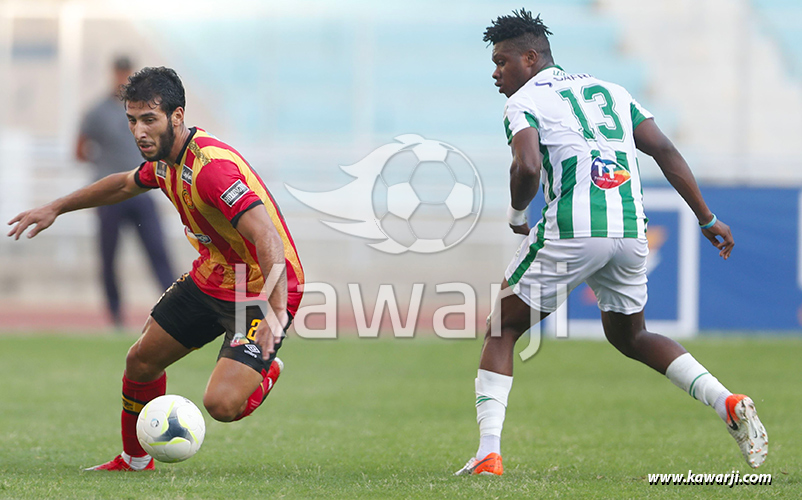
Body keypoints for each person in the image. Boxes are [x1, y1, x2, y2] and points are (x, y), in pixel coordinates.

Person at [455, 9, 767, 476]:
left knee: (502, 328)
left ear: (530, 58)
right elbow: (664, 150)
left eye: (502, 61)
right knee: (632, 335)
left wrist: (518, 214)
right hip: (628, 230)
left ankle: (487, 454)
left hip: (572, 229)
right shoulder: (613, 91)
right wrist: (707, 217)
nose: (496, 72)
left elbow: (527, 167)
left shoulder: (522, 101)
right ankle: (727, 402)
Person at [8, 67, 304, 471]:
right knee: (140, 362)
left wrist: (274, 311)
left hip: (260, 288)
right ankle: (134, 460)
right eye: (132, 120)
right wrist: (56, 207)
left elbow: (267, 237)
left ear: (177, 116)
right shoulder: (165, 160)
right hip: (213, 275)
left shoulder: (212, 169)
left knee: (221, 406)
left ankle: (264, 371)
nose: (139, 131)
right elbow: (122, 184)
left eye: (150, 119)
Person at [77, 56, 175, 328]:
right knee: (109, 257)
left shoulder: (148, 109)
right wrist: (107, 167)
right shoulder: (97, 112)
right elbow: (79, 149)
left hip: (143, 191)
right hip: (112, 195)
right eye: (120, 74)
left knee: (157, 251)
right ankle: (116, 316)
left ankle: (177, 311)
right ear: (113, 74)